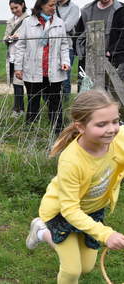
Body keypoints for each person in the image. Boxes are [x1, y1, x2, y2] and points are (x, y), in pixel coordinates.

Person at [25, 89, 124, 284]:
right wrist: (106, 233)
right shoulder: (71, 160)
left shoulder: (118, 138)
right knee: (72, 270)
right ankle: (42, 230)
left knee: (86, 266)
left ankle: (41, 232)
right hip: (62, 213)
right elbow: (70, 209)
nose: (111, 129)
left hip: (93, 211)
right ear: (80, 127)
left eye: (115, 121)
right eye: (101, 124)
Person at [14, 0, 70, 134]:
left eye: (55, 5)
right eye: (51, 5)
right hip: (33, 69)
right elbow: (20, 46)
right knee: (33, 101)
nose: (54, 8)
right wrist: (18, 68)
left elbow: (64, 44)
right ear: (42, 5)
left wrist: (65, 61)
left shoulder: (59, 23)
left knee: (55, 102)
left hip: (53, 69)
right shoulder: (28, 22)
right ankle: (30, 131)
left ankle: (58, 130)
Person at [74, 0, 121, 91]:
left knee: (113, 89)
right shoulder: (86, 10)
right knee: (88, 88)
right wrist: (81, 53)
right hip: (90, 57)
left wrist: (114, 51)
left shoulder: (121, 10)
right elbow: (79, 34)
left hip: (112, 57)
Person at [4, 0, 29, 116]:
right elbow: (4, 37)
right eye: (12, 9)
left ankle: (24, 110)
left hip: (24, 56)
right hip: (11, 55)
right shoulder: (10, 21)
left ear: (22, 5)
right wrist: (8, 38)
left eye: (16, 7)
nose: (14, 10)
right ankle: (18, 109)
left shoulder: (29, 20)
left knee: (25, 84)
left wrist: (19, 37)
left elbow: (30, 38)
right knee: (16, 84)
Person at [55, 0, 80, 102]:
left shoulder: (74, 8)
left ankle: (65, 105)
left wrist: (51, 29)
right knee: (52, 77)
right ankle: (54, 103)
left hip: (67, 47)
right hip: (52, 47)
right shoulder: (52, 6)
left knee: (65, 78)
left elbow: (67, 27)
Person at [109, 4, 124, 79]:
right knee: (118, 85)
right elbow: (114, 36)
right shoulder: (119, 12)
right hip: (121, 55)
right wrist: (111, 50)